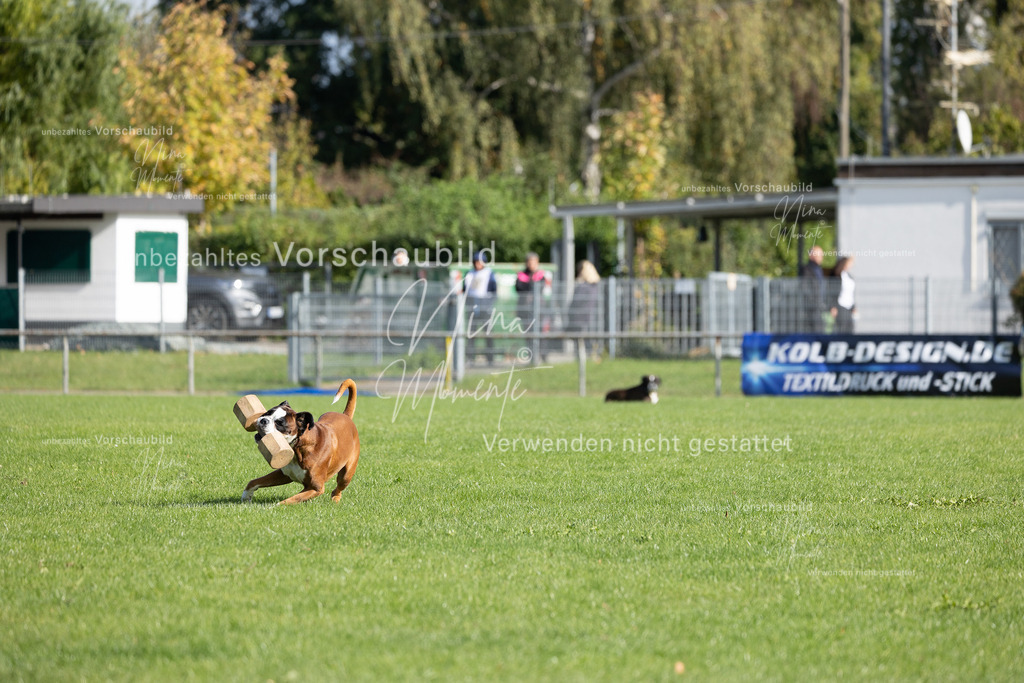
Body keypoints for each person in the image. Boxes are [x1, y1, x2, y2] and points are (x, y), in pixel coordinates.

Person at [462, 251, 497, 363]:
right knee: (471, 334)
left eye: (480, 262)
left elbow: (493, 290)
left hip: (485, 307)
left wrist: (488, 304)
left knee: (488, 333)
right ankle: (470, 358)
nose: (478, 264)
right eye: (476, 262)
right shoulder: (469, 273)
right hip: (472, 307)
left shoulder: (489, 273)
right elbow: (465, 289)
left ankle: (490, 358)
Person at [515, 252, 551, 358]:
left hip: (539, 310)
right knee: (528, 333)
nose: (531, 264)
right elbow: (519, 288)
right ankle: (531, 355)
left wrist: (530, 286)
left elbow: (540, 288)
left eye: (533, 262)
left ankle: (543, 355)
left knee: (542, 332)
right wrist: (531, 285)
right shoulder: (521, 275)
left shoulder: (541, 275)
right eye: (529, 262)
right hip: (525, 310)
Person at [569, 260, 602, 359]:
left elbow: (576, 301)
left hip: (580, 318)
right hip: (591, 318)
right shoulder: (596, 286)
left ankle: (583, 360)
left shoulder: (583, 287)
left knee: (582, 343)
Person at [800, 245, 827, 332]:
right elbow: (805, 288)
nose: (821, 257)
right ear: (811, 255)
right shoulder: (806, 270)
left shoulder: (819, 269)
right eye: (819, 255)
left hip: (818, 306)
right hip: (811, 307)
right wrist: (813, 302)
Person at [830, 255, 856, 334]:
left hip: (849, 307)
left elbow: (851, 293)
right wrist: (833, 306)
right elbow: (832, 293)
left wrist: (854, 307)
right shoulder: (837, 275)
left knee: (850, 329)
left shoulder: (849, 276)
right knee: (842, 329)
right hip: (841, 306)